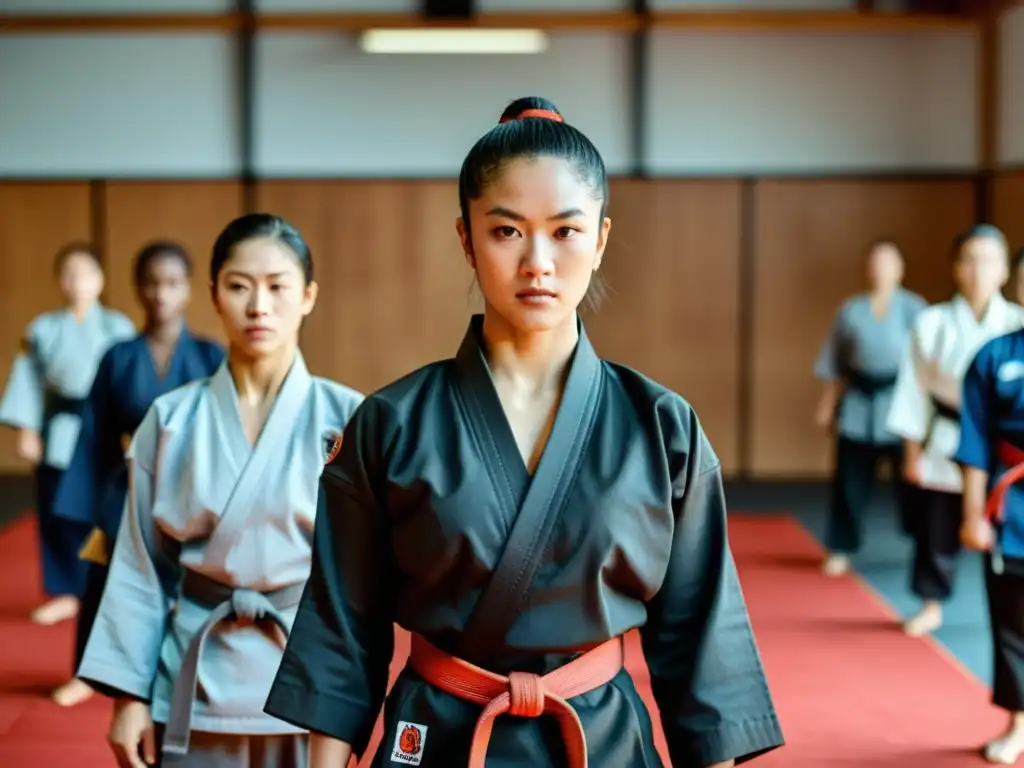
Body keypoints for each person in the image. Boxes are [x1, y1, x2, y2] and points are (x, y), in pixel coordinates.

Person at [264, 97, 784, 768]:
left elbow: (700, 637)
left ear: (599, 240)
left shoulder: (661, 425)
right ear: (466, 239)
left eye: (565, 231)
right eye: (507, 231)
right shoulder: (391, 423)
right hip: (439, 739)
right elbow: (342, 628)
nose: (537, 261)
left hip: (600, 743)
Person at [75, 214, 364, 768]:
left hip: (307, 679)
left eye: (278, 286)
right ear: (214, 295)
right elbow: (141, 567)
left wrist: (354, 697)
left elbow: (364, 586)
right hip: (194, 674)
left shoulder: (347, 418)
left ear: (307, 296)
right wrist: (129, 696)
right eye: (239, 286)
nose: (259, 306)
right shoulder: (170, 419)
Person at [49, 241, 225, 709]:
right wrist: (91, 503)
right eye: (151, 283)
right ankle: (88, 671)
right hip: (129, 482)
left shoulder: (210, 355)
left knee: (195, 577)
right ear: (138, 288)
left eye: (171, 283)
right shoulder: (119, 356)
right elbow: (95, 434)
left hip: (192, 484)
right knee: (104, 575)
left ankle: (195, 662)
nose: (161, 294)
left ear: (188, 290)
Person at [887, 224, 1024, 637]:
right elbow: (912, 390)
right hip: (947, 438)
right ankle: (931, 602)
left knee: (1011, 536)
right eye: (969, 259)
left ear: (1004, 271)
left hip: (1005, 448)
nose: (978, 269)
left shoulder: (1017, 321)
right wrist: (911, 453)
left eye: (988, 260)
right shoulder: (932, 322)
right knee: (937, 529)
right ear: (955, 268)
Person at [0, 243, 135, 627]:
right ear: (61, 281)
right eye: (69, 273)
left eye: (86, 272)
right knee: (56, 512)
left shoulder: (117, 328)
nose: (77, 281)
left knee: (103, 512)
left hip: (103, 429)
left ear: (100, 280)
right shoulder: (42, 328)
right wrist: (27, 429)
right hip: (59, 429)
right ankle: (65, 590)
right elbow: (26, 380)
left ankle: (103, 587)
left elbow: (128, 383)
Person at [814, 241, 927, 577]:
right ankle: (841, 546)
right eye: (875, 262)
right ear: (868, 268)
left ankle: (924, 544)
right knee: (849, 480)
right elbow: (834, 363)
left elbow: (924, 364)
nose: (881, 268)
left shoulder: (914, 308)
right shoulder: (851, 310)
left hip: (901, 403)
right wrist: (826, 406)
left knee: (913, 482)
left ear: (900, 269)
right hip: (859, 404)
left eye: (888, 262)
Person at [955, 328, 1024, 765]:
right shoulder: (994, 355)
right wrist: (972, 513)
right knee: (1012, 621)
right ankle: (1019, 721)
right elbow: (975, 441)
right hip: (1012, 503)